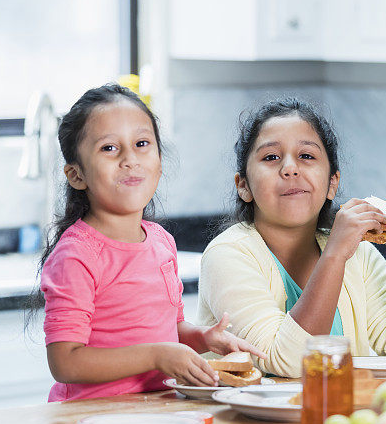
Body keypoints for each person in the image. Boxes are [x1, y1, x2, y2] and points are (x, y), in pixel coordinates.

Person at [37, 83, 264, 402]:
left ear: (159, 160)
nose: (130, 159)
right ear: (77, 175)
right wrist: (157, 356)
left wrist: (202, 338)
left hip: (157, 413)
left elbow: (169, 331)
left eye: (142, 143)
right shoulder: (77, 255)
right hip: (88, 422)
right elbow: (65, 362)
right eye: (109, 148)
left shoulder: (161, 242)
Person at [197, 98, 386, 378]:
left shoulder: (359, 256)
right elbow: (287, 363)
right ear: (244, 186)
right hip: (248, 422)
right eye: (271, 157)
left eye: (307, 156)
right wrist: (335, 255)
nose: (290, 168)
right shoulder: (227, 255)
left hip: (342, 418)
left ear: (332, 183)